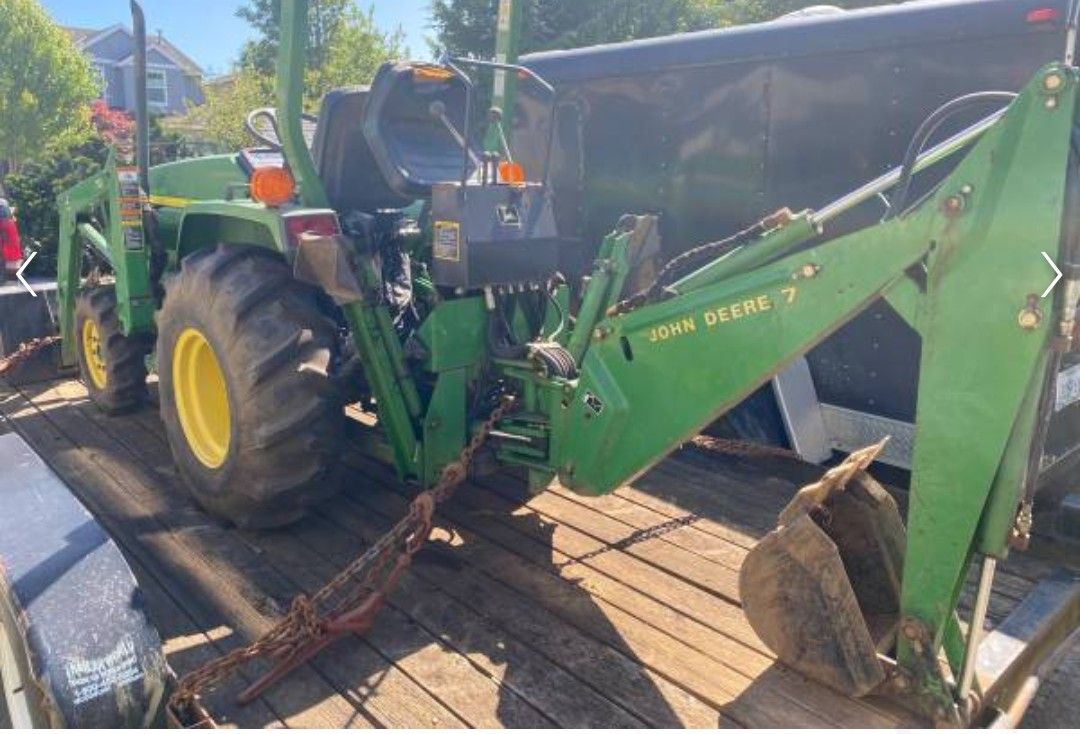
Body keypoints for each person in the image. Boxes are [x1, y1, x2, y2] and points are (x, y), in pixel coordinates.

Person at [0, 198, 23, 283]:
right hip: (9, 248)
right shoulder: (9, 222)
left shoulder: (5, 223)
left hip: (7, 248)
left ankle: (4, 278)